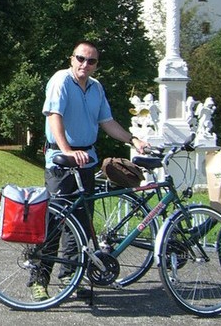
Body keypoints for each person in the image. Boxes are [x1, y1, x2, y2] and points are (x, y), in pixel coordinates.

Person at [30, 40, 149, 301]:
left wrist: (133, 140)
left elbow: (107, 121)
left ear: (96, 65)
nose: (85, 64)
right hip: (61, 163)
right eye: (80, 58)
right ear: (72, 59)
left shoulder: (96, 88)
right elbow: (54, 116)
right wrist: (67, 151)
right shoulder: (61, 80)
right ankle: (39, 277)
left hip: (87, 161)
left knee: (81, 225)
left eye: (91, 61)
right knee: (56, 221)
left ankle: (69, 277)